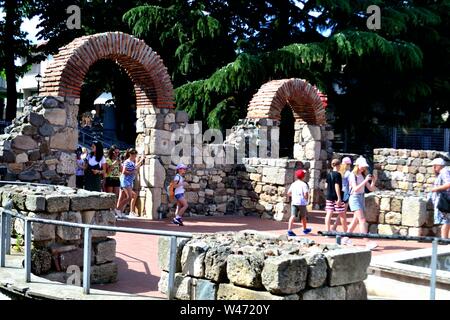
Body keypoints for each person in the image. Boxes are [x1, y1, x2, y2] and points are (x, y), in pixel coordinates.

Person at [347, 156, 378, 250]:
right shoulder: (352, 175)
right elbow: (355, 189)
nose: (364, 168)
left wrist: (373, 181)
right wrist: (365, 181)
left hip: (361, 197)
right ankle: (367, 242)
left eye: (365, 166)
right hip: (354, 198)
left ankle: (345, 237)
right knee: (362, 220)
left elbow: (371, 189)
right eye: (362, 166)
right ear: (358, 165)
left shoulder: (363, 175)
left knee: (355, 220)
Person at [115, 149, 144, 218]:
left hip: (129, 182)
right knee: (129, 197)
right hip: (125, 181)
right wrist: (132, 172)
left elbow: (135, 167)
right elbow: (124, 171)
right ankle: (117, 209)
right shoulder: (127, 162)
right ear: (131, 154)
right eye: (135, 155)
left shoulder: (131, 162)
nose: (135, 156)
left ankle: (119, 212)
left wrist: (141, 160)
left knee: (123, 197)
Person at [429, 158, 450, 239]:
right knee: (447, 221)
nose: (433, 168)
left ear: (438, 166)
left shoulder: (444, 171)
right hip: (445, 201)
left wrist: (436, 189)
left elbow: (448, 183)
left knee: (445, 221)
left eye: (434, 166)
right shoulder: (443, 172)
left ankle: (444, 240)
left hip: (444, 201)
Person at [287, 169, 311, 236]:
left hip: (294, 202)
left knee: (292, 216)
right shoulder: (304, 184)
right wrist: (306, 200)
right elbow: (306, 194)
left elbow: (288, 193)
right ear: (303, 176)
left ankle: (289, 230)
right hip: (302, 202)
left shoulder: (293, 184)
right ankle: (305, 229)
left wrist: (294, 195)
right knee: (303, 216)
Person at [325, 159, 346, 233]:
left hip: (329, 195)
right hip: (336, 197)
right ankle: (345, 232)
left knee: (329, 213)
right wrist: (339, 198)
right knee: (342, 214)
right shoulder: (338, 174)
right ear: (339, 165)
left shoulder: (328, 174)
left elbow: (326, 185)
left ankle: (327, 231)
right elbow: (337, 185)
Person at [332, 157, 352, 234]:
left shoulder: (339, 172)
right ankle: (346, 232)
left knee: (341, 212)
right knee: (343, 213)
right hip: (345, 193)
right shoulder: (348, 173)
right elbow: (350, 184)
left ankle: (334, 227)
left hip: (339, 193)